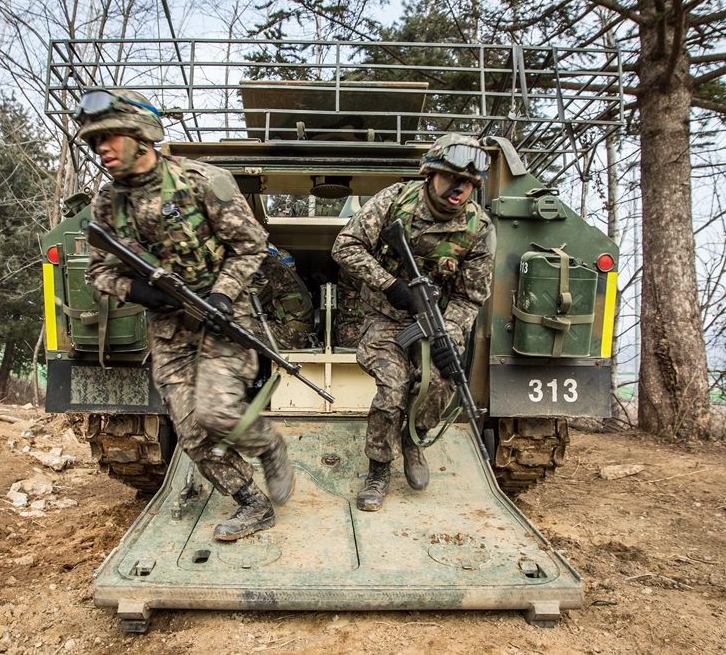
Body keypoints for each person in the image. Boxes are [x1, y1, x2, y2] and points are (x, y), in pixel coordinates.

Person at [78, 88, 294, 541]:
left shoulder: (200, 182)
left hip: (223, 319)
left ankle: (268, 444)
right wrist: (137, 289)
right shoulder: (106, 205)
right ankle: (251, 504)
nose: (101, 148)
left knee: (218, 413)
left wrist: (220, 295)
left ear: (141, 136)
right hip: (170, 331)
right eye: (94, 141)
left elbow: (252, 245)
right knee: (192, 430)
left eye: (109, 137)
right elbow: (98, 272)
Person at [331, 134, 496, 511]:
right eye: (452, 179)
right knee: (392, 390)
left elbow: (472, 295)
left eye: (468, 183)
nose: (460, 189)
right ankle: (379, 468)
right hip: (386, 314)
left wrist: (448, 335)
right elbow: (345, 246)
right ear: (430, 175)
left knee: (441, 382)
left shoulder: (479, 228)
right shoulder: (395, 200)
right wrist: (389, 284)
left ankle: (413, 440)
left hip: (437, 318)